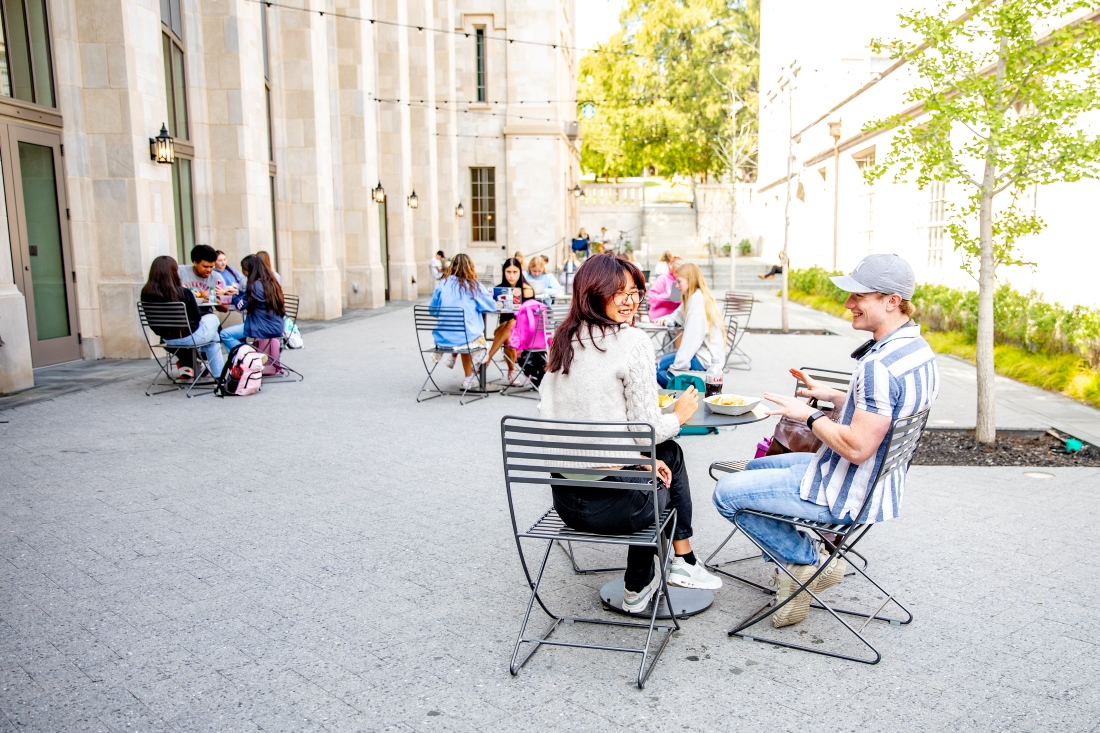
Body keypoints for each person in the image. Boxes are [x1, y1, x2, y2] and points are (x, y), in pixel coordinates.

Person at [712, 254, 939, 628]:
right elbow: (885, 411)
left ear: (892, 301)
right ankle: (804, 567)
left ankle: (806, 562)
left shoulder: (877, 366)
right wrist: (835, 397)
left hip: (846, 489)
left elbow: (857, 447)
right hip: (876, 484)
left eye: (858, 296)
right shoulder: (916, 351)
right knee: (757, 468)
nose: (848, 304)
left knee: (726, 494)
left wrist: (809, 415)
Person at [539, 254, 722, 614]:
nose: (630, 300)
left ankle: (674, 565)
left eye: (635, 291)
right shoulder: (633, 340)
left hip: (568, 504)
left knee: (655, 461)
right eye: (617, 292)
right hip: (619, 508)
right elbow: (646, 434)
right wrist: (680, 416)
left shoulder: (563, 338)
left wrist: (632, 458)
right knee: (667, 453)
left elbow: (555, 417)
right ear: (592, 293)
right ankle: (654, 574)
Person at [141, 255, 225, 379]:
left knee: (212, 337)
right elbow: (196, 318)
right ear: (174, 272)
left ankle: (195, 365)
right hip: (190, 337)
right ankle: (220, 377)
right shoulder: (183, 292)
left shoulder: (145, 293)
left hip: (167, 339)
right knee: (213, 320)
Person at [429, 253, 496, 391]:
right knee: (470, 336)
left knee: (463, 334)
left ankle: (453, 358)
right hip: (466, 338)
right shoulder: (474, 285)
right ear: (471, 268)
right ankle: (469, 378)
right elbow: (491, 307)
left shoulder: (442, 284)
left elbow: (433, 311)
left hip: (442, 338)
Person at [653, 263, 725, 388]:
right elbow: (677, 316)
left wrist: (679, 364)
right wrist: (666, 319)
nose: (676, 286)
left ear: (690, 281)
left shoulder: (697, 300)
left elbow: (692, 337)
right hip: (703, 354)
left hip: (705, 358)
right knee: (656, 366)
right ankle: (685, 393)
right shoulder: (694, 296)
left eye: (679, 281)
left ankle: (685, 393)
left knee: (654, 366)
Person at [220, 254, 287, 354]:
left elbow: (241, 305)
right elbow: (252, 298)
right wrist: (238, 293)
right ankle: (248, 357)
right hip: (276, 326)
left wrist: (231, 296)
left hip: (261, 327)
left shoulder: (255, 285)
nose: (244, 274)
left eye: (245, 270)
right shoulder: (271, 282)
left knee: (225, 334)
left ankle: (245, 358)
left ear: (250, 269)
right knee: (240, 337)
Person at [485, 257, 536, 386]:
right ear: (504, 272)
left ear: (520, 272)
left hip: (524, 330)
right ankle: (511, 371)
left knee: (512, 324)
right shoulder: (499, 289)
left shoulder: (526, 289)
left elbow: (528, 315)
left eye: (515, 272)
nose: (511, 276)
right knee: (508, 329)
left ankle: (487, 358)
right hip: (505, 329)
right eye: (508, 272)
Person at [646, 256, 683, 320]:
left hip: (677, 316)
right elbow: (651, 297)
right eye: (677, 270)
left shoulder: (684, 280)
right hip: (661, 316)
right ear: (672, 268)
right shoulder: (662, 278)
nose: (679, 272)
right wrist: (668, 296)